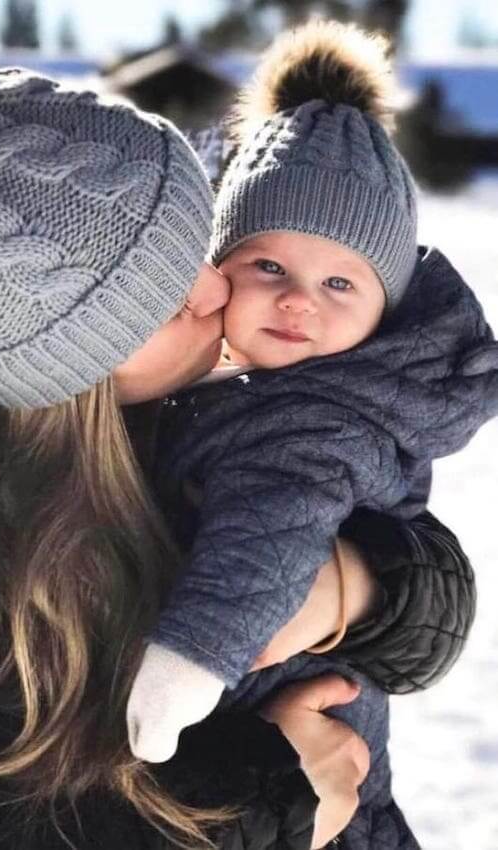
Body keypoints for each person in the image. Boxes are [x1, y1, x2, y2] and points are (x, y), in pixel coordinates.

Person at [0, 15, 475, 850]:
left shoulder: (189, 394)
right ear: (71, 366)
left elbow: (403, 556)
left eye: (199, 248)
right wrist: (270, 802)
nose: (215, 291)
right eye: (160, 298)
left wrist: (367, 585)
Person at [126, 20, 497, 849]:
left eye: (339, 282)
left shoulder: (313, 418)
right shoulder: (242, 384)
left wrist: (180, 674)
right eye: (269, 269)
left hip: (296, 749)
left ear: (383, 312)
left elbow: (269, 537)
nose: (299, 302)